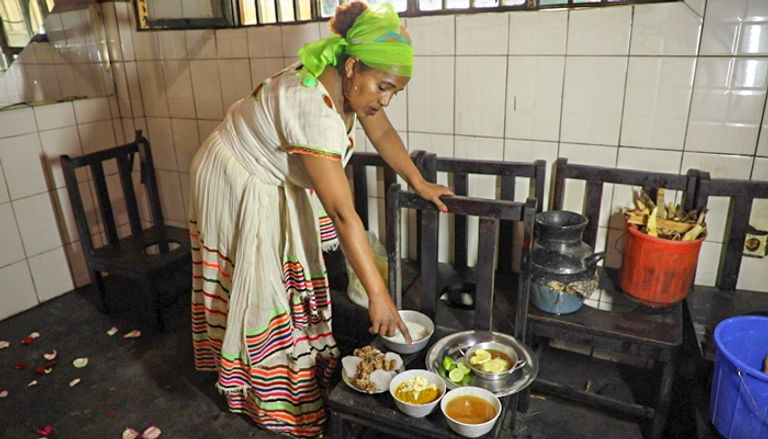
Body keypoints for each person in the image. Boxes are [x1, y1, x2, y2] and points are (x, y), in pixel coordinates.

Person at [188, 2, 453, 438]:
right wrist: (379, 296)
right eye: (382, 87)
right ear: (353, 67)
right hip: (233, 174)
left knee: (288, 280)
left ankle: (297, 367)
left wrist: (419, 181)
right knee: (259, 284)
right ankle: (261, 396)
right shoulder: (311, 107)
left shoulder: (344, 79)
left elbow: (382, 131)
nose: (385, 100)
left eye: (394, 92)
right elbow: (343, 214)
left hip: (270, 176)